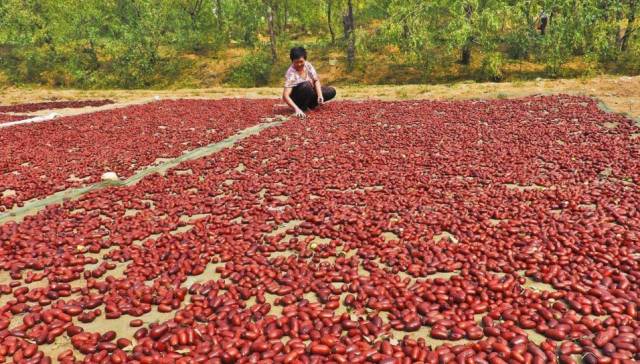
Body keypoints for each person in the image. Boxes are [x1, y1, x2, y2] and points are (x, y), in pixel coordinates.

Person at [282, 47, 336, 118]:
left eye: (301, 61)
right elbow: (285, 96)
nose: (299, 64)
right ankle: (302, 108)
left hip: (309, 93)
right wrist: (296, 109)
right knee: (306, 85)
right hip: (297, 99)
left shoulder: (308, 65)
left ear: (305, 60)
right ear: (292, 61)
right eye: (296, 62)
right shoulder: (291, 73)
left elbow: (316, 80)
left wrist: (320, 95)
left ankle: (310, 105)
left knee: (331, 91)